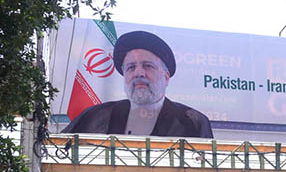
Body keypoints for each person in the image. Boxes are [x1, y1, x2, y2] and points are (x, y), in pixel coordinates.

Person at [62, 30, 214, 138]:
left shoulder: (193, 122)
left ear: (166, 77)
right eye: (131, 67)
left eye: (148, 66)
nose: (138, 73)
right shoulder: (94, 116)